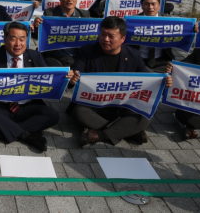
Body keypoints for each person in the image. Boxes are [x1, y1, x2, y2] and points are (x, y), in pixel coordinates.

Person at [69, 16, 172, 146]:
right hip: (94, 104)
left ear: (123, 38)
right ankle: (128, 131)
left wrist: (163, 83)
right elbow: (76, 69)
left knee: (144, 117)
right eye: (103, 34)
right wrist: (73, 78)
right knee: (79, 112)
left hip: (123, 104)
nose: (106, 39)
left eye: (111, 36)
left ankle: (99, 135)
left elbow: (148, 79)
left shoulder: (133, 55)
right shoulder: (88, 50)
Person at [0, 22, 61, 151]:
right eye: (13, 39)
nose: (18, 44)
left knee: (53, 115)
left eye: (22, 39)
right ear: (5, 39)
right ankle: (27, 136)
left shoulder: (35, 56)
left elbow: (47, 81)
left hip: (27, 105)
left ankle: (2, 130)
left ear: (27, 40)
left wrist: (65, 79)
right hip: (0, 105)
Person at [32, 0, 89, 68]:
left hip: (77, 57)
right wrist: (36, 27)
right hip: (54, 57)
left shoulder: (84, 15)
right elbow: (39, 37)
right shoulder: (49, 14)